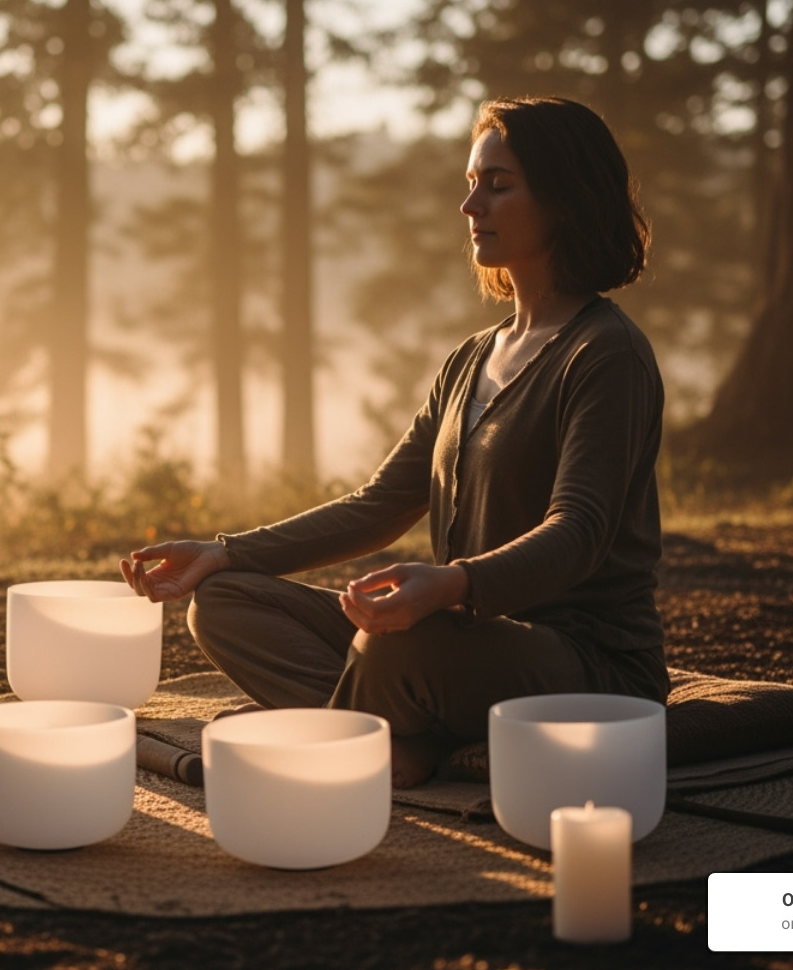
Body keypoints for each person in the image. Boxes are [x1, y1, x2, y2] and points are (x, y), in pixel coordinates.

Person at [121, 96, 670, 788]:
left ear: (566, 199)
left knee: (401, 646)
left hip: (587, 665)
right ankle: (397, 740)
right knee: (227, 603)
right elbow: (379, 503)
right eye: (471, 185)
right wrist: (225, 552)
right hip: (458, 642)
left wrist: (452, 585)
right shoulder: (473, 358)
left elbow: (579, 531)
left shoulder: (606, 354)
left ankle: (360, 737)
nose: (472, 207)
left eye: (498, 186)